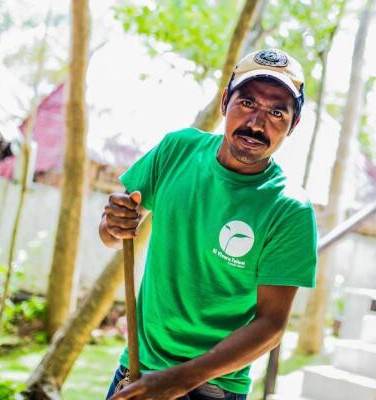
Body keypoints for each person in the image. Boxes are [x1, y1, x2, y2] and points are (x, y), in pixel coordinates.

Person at [99, 48, 318, 400]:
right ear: (224, 104)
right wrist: (112, 222)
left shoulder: (289, 209)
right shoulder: (176, 150)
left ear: (293, 125)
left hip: (214, 385)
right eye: (247, 103)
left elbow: (272, 325)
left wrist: (181, 379)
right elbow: (112, 234)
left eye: (277, 112)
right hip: (138, 368)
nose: (257, 123)